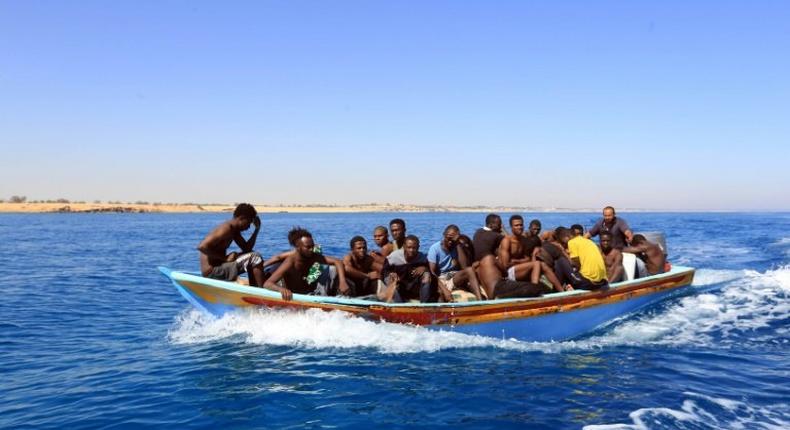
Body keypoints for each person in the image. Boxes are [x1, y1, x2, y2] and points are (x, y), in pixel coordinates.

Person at [198, 203, 271, 290]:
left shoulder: (234, 230)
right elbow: (202, 247)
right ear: (242, 218)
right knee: (255, 257)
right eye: (249, 223)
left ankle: (255, 288)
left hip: (219, 266)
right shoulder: (226, 229)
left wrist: (256, 230)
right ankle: (261, 292)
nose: (248, 227)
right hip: (212, 271)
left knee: (252, 255)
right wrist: (224, 258)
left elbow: (247, 249)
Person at [264, 228, 350, 299]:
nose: (311, 249)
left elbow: (337, 261)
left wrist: (342, 282)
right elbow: (268, 284)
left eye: (312, 246)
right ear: (297, 247)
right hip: (295, 295)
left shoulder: (314, 256)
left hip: (311, 291)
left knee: (332, 269)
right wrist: (281, 290)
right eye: (308, 247)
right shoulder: (290, 261)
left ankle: (341, 296)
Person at [473, 214, 543, 299]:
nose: (501, 227)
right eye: (499, 225)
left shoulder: (478, 232)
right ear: (491, 225)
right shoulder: (495, 245)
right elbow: (505, 267)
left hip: (496, 286)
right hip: (500, 287)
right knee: (534, 288)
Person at [427, 225, 483, 301]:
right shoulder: (435, 248)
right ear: (444, 235)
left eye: (453, 239)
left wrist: (457, 244)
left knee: (470, 270)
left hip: (453, 277)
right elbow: (432, 272)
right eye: (448, 238)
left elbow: (464, 267)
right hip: (441, 279)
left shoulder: (456, 247)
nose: (450, 241)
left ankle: (480, 301)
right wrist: (445, 290)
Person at [379, 235, 433, 303]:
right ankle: (399, 305)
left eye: (414, 248)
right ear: (404, 247)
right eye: (409, 247)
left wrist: (425, 268)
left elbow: (430, 272)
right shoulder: (393, 257)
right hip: (398, 285)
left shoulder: (422, 258)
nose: (411, 250)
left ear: (418, 247)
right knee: (390, 279)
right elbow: (383, 272)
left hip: (413, 286)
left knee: (427, 275)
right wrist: (391, 274)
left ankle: (424, 305)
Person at [498, 215, 542, 283]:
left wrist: (516, 261)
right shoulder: (507, 241)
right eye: (516, 225)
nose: (519, 227)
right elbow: (505, 265)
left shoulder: (523, 240)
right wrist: (523, 261)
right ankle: (535, 288)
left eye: (521, 225)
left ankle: (559, 290)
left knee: (543, 266)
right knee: (536, 264)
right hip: (508, 273)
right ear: (511, 227)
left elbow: (528, 259)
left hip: (518, 268)